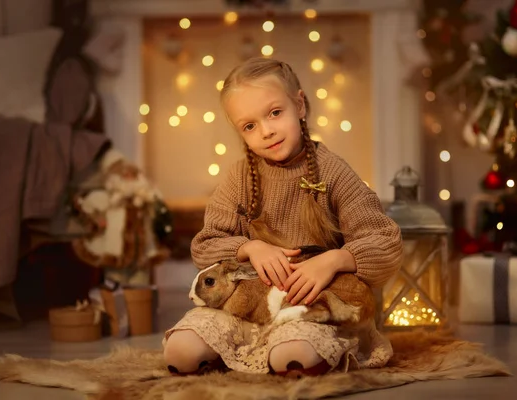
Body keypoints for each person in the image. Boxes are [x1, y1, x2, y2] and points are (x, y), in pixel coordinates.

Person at [162, 57, 403, 378]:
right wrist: (249, 249)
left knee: (291, 357)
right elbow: (204, 246)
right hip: (251, 309)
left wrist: (334, 260)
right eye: (250, 126)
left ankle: (290, 347)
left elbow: (384, 242)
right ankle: (246, 344)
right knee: (180, 352)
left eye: (275, 113)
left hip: (312, 307)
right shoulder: (239, 178)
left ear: (299, 105)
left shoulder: (333, 172)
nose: (266, 131)